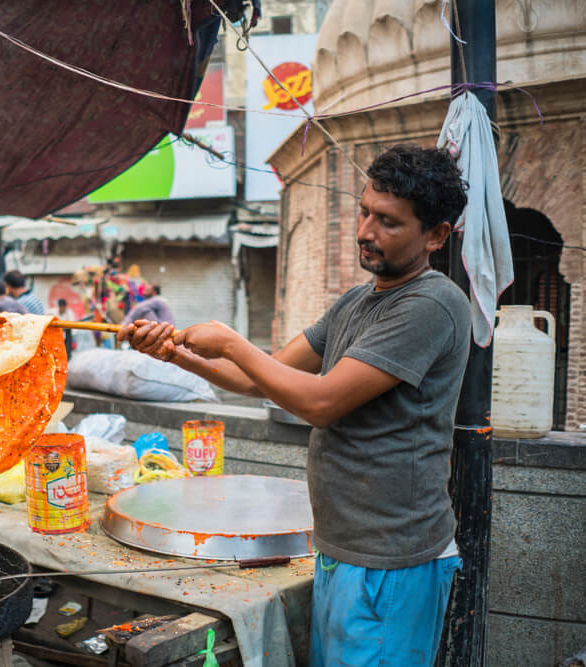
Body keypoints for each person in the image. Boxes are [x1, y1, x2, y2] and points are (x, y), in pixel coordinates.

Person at [118, 145, 471, 666]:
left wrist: (233, 341)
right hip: (341, 546)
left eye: (389, 223)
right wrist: (175, 353)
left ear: (436, 235)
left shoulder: (432, 304)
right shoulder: (357, 301)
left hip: (393, 560)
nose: (365, 232)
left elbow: (322, 403)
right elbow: (258, 378)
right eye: (364, 212)